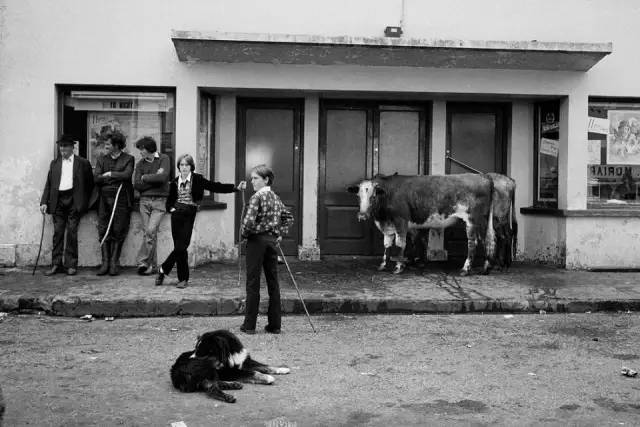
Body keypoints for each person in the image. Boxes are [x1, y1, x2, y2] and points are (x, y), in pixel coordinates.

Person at [155, 154, 246, 289]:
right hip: (177, 215)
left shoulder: (197, 179)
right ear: (178, 167)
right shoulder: (174, 182)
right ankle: (183, 279)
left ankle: (163, 269)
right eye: (181, 165)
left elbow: (215, 186)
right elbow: (169, 201)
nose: (184, 167)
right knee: (180, 248)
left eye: (187, 165)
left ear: (191, 166)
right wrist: (172, 209)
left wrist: (235, 188)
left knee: (182, 245)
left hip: (189, 213)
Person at [239, 164, 290, 335]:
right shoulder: (275, 197)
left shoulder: (256, 198)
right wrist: (279, 234)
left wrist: (244, 235)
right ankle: (275, 325)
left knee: (253, 282)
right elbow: (288, 217)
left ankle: (249, 325)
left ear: (266, 179)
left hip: (256, 242)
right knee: (273, 282)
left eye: (255, 178)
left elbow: (248, 223)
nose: (252, 181)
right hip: (271, 242)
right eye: (252, 178)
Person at [39, 134, 94, 276]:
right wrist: (44, 202)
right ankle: (56, 264)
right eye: (61, 146)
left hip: (74, 201)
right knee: (57, 233)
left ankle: (71, 265)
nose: (62, 149)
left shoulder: (83, 163)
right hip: (58, 201)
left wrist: (84, 203)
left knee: (72, 232)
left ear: (72, 147)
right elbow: (49, 184)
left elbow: (90, 184)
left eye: (65, 146)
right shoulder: (55, 163)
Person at [94, 130, 134, 276]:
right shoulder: (101, 159)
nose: (106, 146)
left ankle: (113, 263)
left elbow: (127, 175)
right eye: (105, 143)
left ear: (117, 145)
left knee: (118, 229)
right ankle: (105, 263)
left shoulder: (129, 158)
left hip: (121, 198)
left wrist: (110, 174)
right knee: (104, 229)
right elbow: (96, 178)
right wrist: (116, 177)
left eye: (108, 144)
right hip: (104, 199)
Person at [133, 136, 171, 275]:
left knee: (150, 231)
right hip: (144, 202)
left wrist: (145, 177)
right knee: (149, 234)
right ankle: (152, 267)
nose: (140, 153)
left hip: (160, 201)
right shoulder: (140, 164)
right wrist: (153, 178)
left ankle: (142, 261)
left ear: (148, 149)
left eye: (141, 149)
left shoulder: (164, 159)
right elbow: (136, 184)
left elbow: (162, 178)